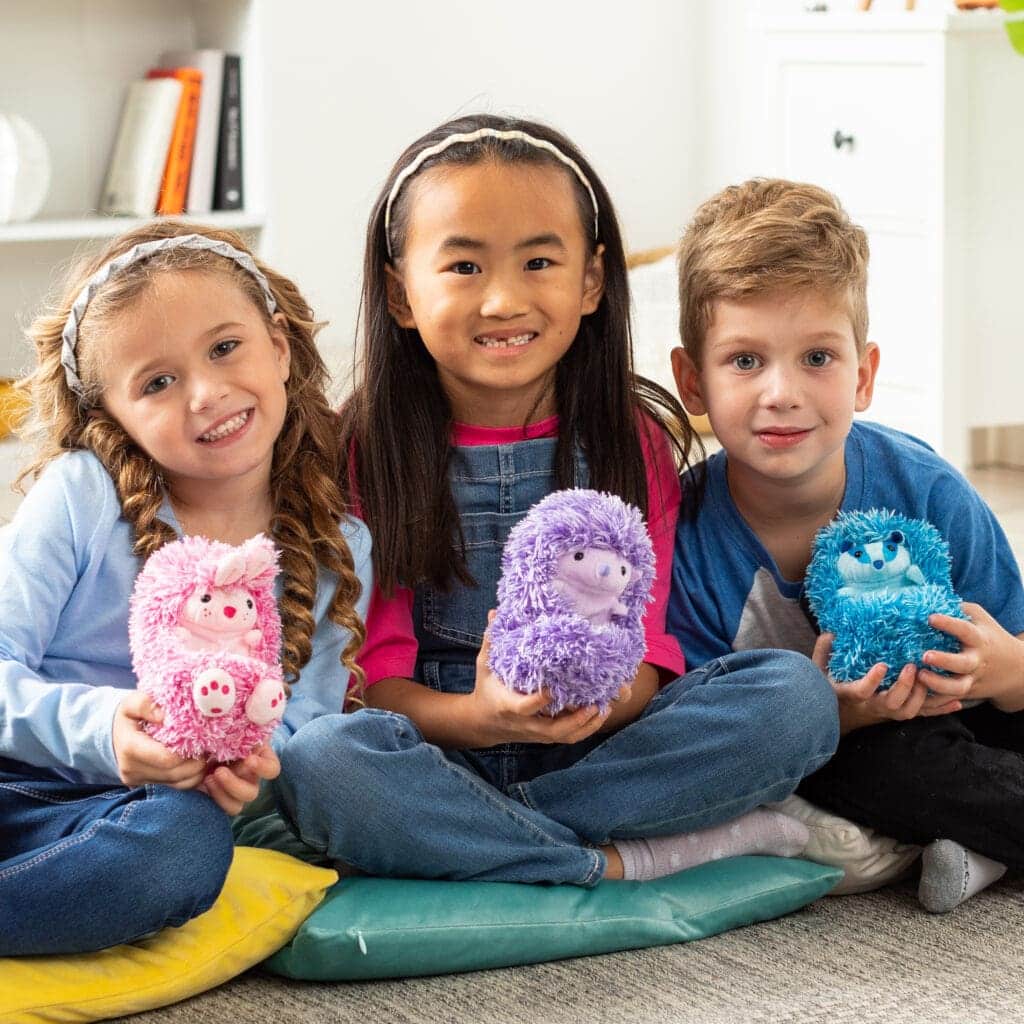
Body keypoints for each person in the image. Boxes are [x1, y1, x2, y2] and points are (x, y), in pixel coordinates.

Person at [272, 115, 839, 887]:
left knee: (792, 696)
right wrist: (482, 716)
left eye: (540, 261)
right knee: (320, 763)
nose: (504, 299)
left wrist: (592, 705)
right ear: (400, 292)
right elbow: (369, 677)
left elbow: (650, 648)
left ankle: (487, 845)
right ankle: (604, 861)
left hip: (600, 749)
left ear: (591, 282)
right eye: (464, 267)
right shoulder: (362, 447)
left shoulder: (628, 436)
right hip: (437, 747)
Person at [0, 221, 371, 955]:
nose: (206, 393)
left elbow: (302, 724)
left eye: (225, 347)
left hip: (131, 821)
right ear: (114, 415)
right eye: (158, 383)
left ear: (280, 346)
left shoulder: (336, 544)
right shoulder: (82, 496)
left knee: (186, 848)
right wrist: (105, 731)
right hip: (18, 779)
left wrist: (241, 768)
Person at [667, 178, 1024, 913]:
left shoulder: (924, 488)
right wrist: (843, 712)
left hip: (973, 715)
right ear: (691, 381)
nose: (782, 393)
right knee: (882, 768)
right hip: (844, 750)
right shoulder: (688, 537)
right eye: (744, 361)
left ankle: (969, 838)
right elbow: (707, 739)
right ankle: (968, 829)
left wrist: (1000, 670)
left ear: (863, 375)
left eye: (817, 359)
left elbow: (1017, 652)